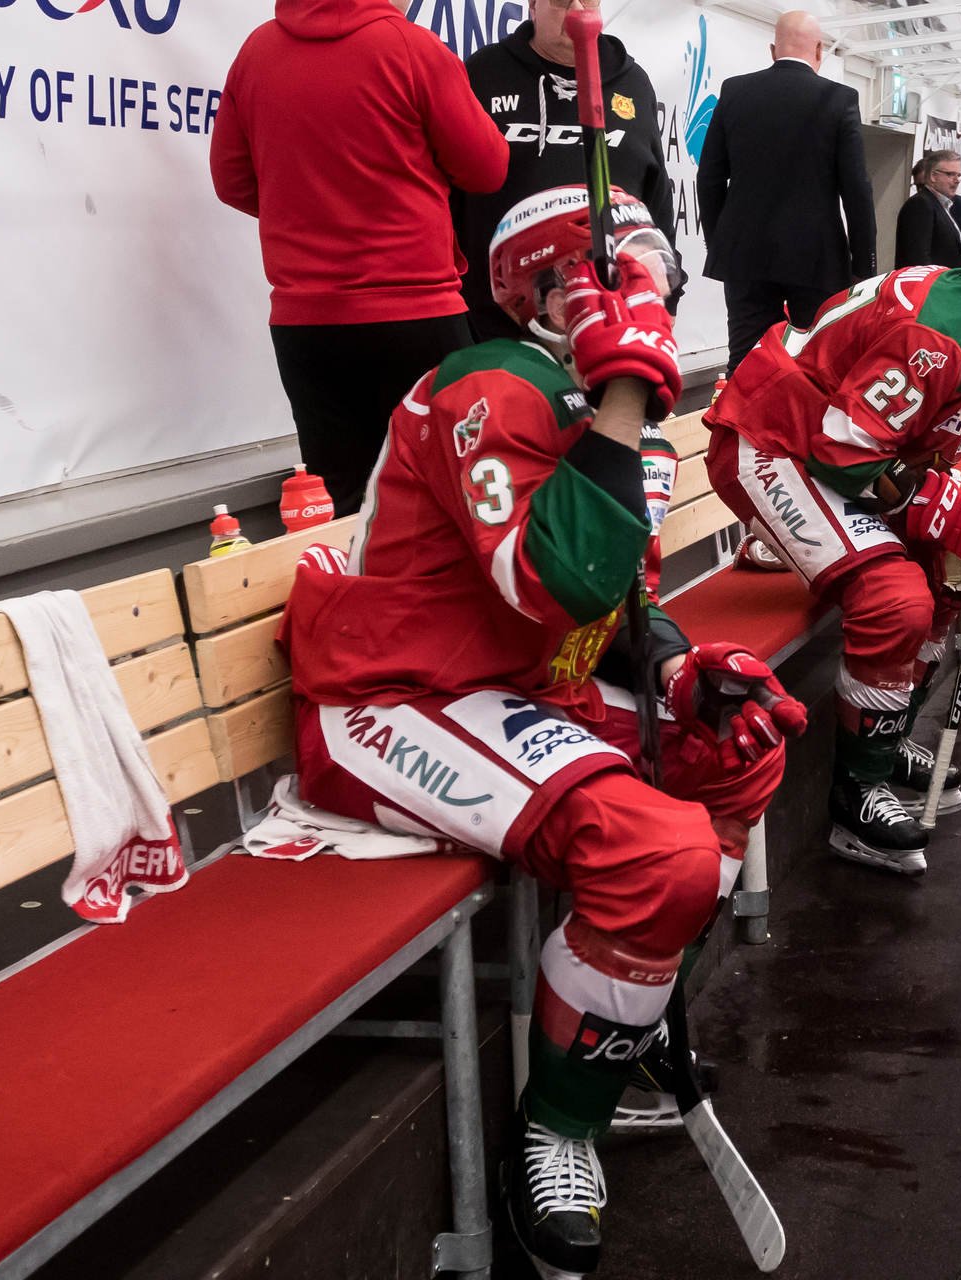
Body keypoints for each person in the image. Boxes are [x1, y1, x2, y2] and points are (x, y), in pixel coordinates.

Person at [279, 189, 804, 1279]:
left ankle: (623, 992)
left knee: (740, 732)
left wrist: (671, 664)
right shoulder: (496, 383)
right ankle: (556, 1123)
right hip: (396, 693)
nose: (649, 287)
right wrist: (620, 396)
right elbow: (547, 580)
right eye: (624, 269)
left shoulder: (598, 395)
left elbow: (616, 589)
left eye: (656, 266)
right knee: (660, 855)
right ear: (549, 281)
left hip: (515, 680)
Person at [701, 222, 961, 872]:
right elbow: (844, 449)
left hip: (828, 446)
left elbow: (910, 446)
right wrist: (936, 505)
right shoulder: (934, 337)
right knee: (895, 597)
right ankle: (854, 799)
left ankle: (883, 742)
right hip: (773, 442)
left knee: (951, 575)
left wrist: (955, 508)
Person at [210, 0, 508, 517]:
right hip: (417, 311)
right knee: (448, 498)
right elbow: (487, 168)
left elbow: (230, 180)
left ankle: (354, 597)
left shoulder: (256, 52)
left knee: (340, 507)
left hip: (308, 323)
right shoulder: (414, 50)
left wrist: (306, 210)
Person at [454, 0, 674, 343]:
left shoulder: (632, 82)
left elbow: (656, 195)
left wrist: (668, 297)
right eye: (560, 1)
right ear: (533, 6)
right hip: (500, 321)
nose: (576, 9)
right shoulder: (484, 72)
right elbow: (451, 190)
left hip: (610, 316)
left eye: (588, 0)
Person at [699, 10, 876, 370]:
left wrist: (720, 242)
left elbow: (709, 178)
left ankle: (740, 428)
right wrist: (863, 266)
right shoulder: (840, 98)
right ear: (819, 50)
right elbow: (857, 190)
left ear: (772, 50)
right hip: (818, 259)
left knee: (747, 361)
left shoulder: (735, 91)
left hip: (744, 256)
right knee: (816, 364)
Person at [896, 151, 961, 270]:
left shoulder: (946, 206)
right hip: (936, 286)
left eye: (958, 175)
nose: (956, 180)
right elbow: (919, 260)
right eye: (951, 174)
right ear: (933, 176)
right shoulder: (920, 204)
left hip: (957, 284)